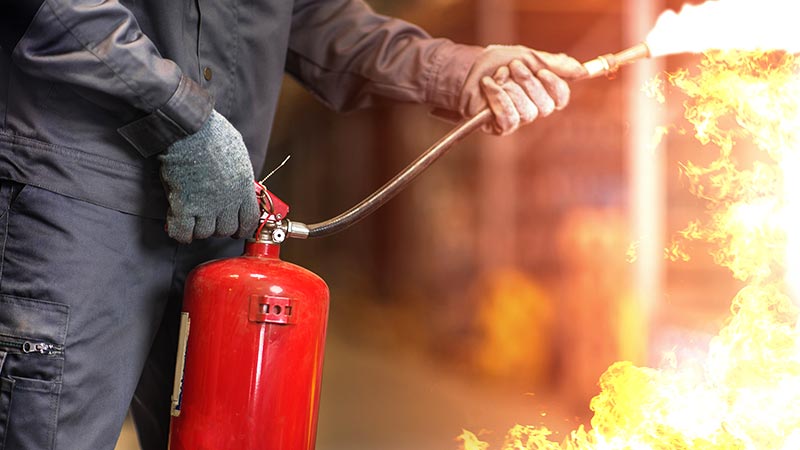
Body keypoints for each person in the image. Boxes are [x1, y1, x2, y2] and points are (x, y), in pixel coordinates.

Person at [0, 0, 587, 449]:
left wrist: (458, 69)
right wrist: (178, 117)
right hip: (77, 201)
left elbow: (311, 15)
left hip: (220, 219)